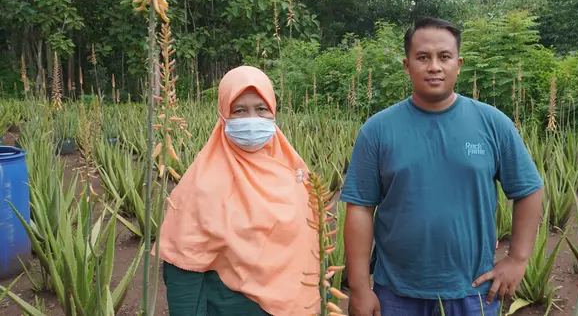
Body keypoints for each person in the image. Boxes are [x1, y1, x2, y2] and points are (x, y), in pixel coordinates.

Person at [341, 17, 545, 316]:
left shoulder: (492, 123)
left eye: (444, 57)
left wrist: (518, 259)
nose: (434, 66)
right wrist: (359, 288)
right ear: (407, 65)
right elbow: (359, 207)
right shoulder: (378, 130)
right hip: (396, 292)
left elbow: (528, 189)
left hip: (473, 291)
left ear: (458, 64)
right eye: (423, 57)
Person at [156, 65, 319, 316]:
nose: (251, 119)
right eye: (240, 110)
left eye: (261, 109)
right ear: (224, 115)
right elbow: (183, 271)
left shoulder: (294, 172)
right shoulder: (201, 184)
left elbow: (311, 250)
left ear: (273, 111)